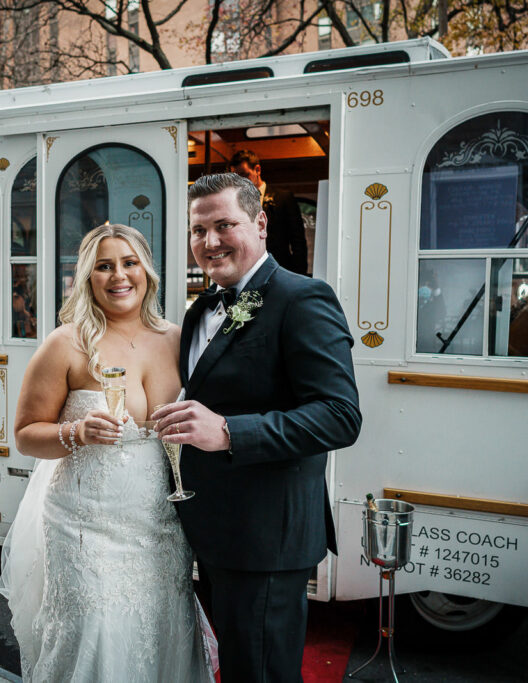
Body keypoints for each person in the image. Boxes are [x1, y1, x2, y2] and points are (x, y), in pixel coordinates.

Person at [153, 173, 361, 682]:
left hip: (268, 537)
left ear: (261, 224)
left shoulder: (303, 298)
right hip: (215, 533)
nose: (209, 241)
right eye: (198, 231)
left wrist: (228, 432)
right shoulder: (201, 309)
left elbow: (340, 415)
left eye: (225, 225)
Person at [0, 224, 214, 682]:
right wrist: (76, 431)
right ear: (87, 277)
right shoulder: (66, 343)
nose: (119, 275)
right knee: (96, 636)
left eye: (129, 262)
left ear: (147, 271)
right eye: (104, 265)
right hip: (84, 528)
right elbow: (24, 433)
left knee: (161, 634)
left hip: (161, 527)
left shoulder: (178, 339)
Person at [229, 150, 308, 275]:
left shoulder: (283, 198)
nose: (241, 183)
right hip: (247, 272)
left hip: (280, 269)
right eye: (237, 178)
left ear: (257, 170)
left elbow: (298, 241)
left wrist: (298, 276)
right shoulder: (234, 203)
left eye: (245, 175)